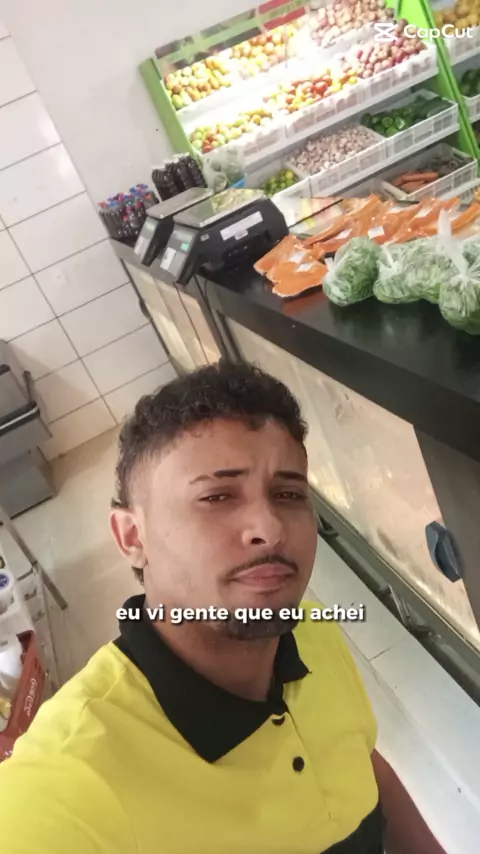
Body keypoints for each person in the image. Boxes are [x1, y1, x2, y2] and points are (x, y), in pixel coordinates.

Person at [0, 361, 446, 854]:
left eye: (288, 493)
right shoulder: (73, 781)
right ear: (132, 537)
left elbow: (358, 765)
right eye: (217, 496)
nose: (270, 528)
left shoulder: (310, 635)